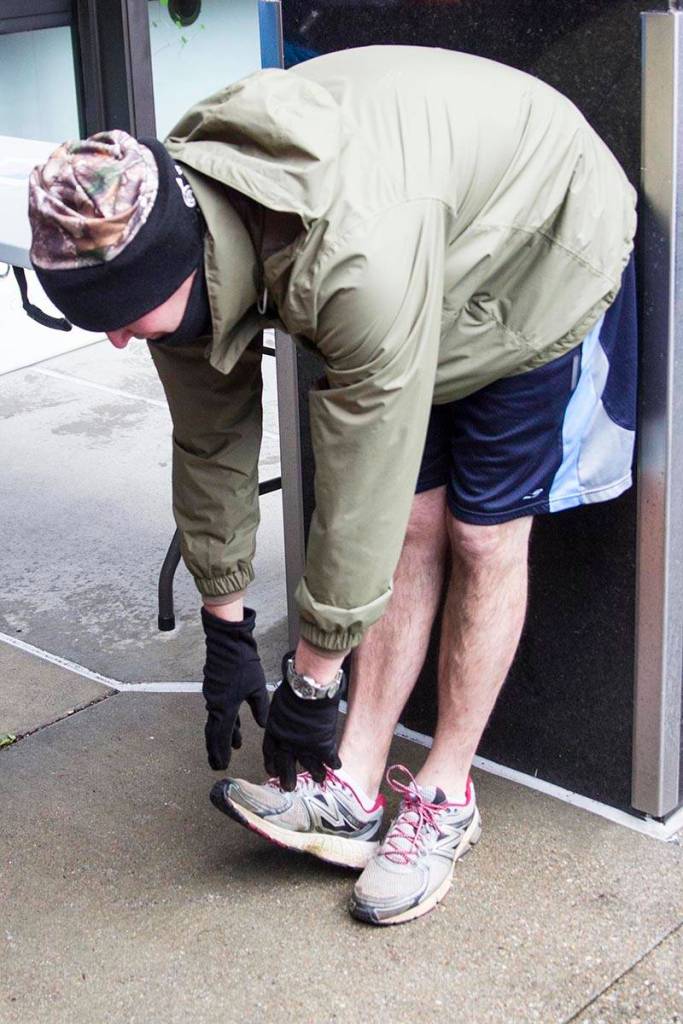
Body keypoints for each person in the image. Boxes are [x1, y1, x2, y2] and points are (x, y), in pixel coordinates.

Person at [28, 45, 637, 926]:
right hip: (416, 236)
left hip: (530, 247)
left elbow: (357, 491)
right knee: (409, 522)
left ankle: (446, 795)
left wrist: (310, 683)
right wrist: (225, 628)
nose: (119, 341)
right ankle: (350, 785)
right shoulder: (177, 230)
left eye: (123, 318)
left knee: (478, 530)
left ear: (177, 265)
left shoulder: (347, 261)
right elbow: (210, 444)